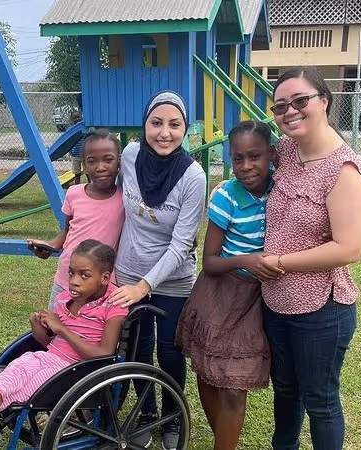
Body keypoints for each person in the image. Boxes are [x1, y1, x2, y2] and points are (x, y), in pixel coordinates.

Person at [259, 66, 361, 450]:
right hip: (276, 304)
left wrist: (279, 262)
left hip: (321, 310)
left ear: (323, 101)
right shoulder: (288, 151)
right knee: (286, 393)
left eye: (300, 101)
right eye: (280, 106)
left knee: (320, 402)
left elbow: (350, 248)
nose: (289, 111)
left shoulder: (344, 171)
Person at [0, 239, 128, 450]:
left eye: (84, 275)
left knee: (10, 389)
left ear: (105, 277)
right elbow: (49, 343)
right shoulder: (63, 299)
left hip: (75, 371)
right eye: (71, 273)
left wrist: (62, 328)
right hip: (46, 359)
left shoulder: (113, 305)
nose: (74, 281)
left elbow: (105, 354)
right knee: (7, 381)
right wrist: (38, 328)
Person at [176, 121, 282, 450]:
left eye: (255, 156)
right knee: (207, 372)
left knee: (235, 385)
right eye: (238, 159)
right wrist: (245, 260)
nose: (247, 166)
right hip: (220, 292)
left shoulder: (281, 188)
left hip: (258, 299)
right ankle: (224, 438)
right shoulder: (226, 196)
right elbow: (210, 260)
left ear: (271, 155)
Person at [110, 91, 206, 450]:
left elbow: (182, 245)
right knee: (137, 348)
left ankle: (172, 416)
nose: (164, 132)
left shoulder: (193, 177)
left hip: (173, 280)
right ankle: (146, 414)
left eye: (174, 124)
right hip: (127, 272)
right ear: (144, 124)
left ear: (185, 128)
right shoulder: (130, 156)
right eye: (156, 123)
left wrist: (144, 286)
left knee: (168, 351)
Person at [27, 129, 124, 311]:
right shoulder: (74, 193)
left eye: (108, 159)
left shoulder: (125, 198)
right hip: (66, 277)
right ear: (84, 166)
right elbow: (66, 231)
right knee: (54, 329)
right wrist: (49, 246)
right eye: (92, 161)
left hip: (100, 285)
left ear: (119, 162)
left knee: (91, 334)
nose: (100, 167)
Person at [69, 110, 87, 185]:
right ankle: (77, 187)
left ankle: (91, 185)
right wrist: (70, 151)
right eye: (74, 118)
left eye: (78, 117)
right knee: (77, 174)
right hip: (75, 155)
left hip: (85, 155)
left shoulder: (84, 128)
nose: (77, 119)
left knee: (88, 172)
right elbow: (68, 143)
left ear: (81, 117)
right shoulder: (70, 130)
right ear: (71, 120)